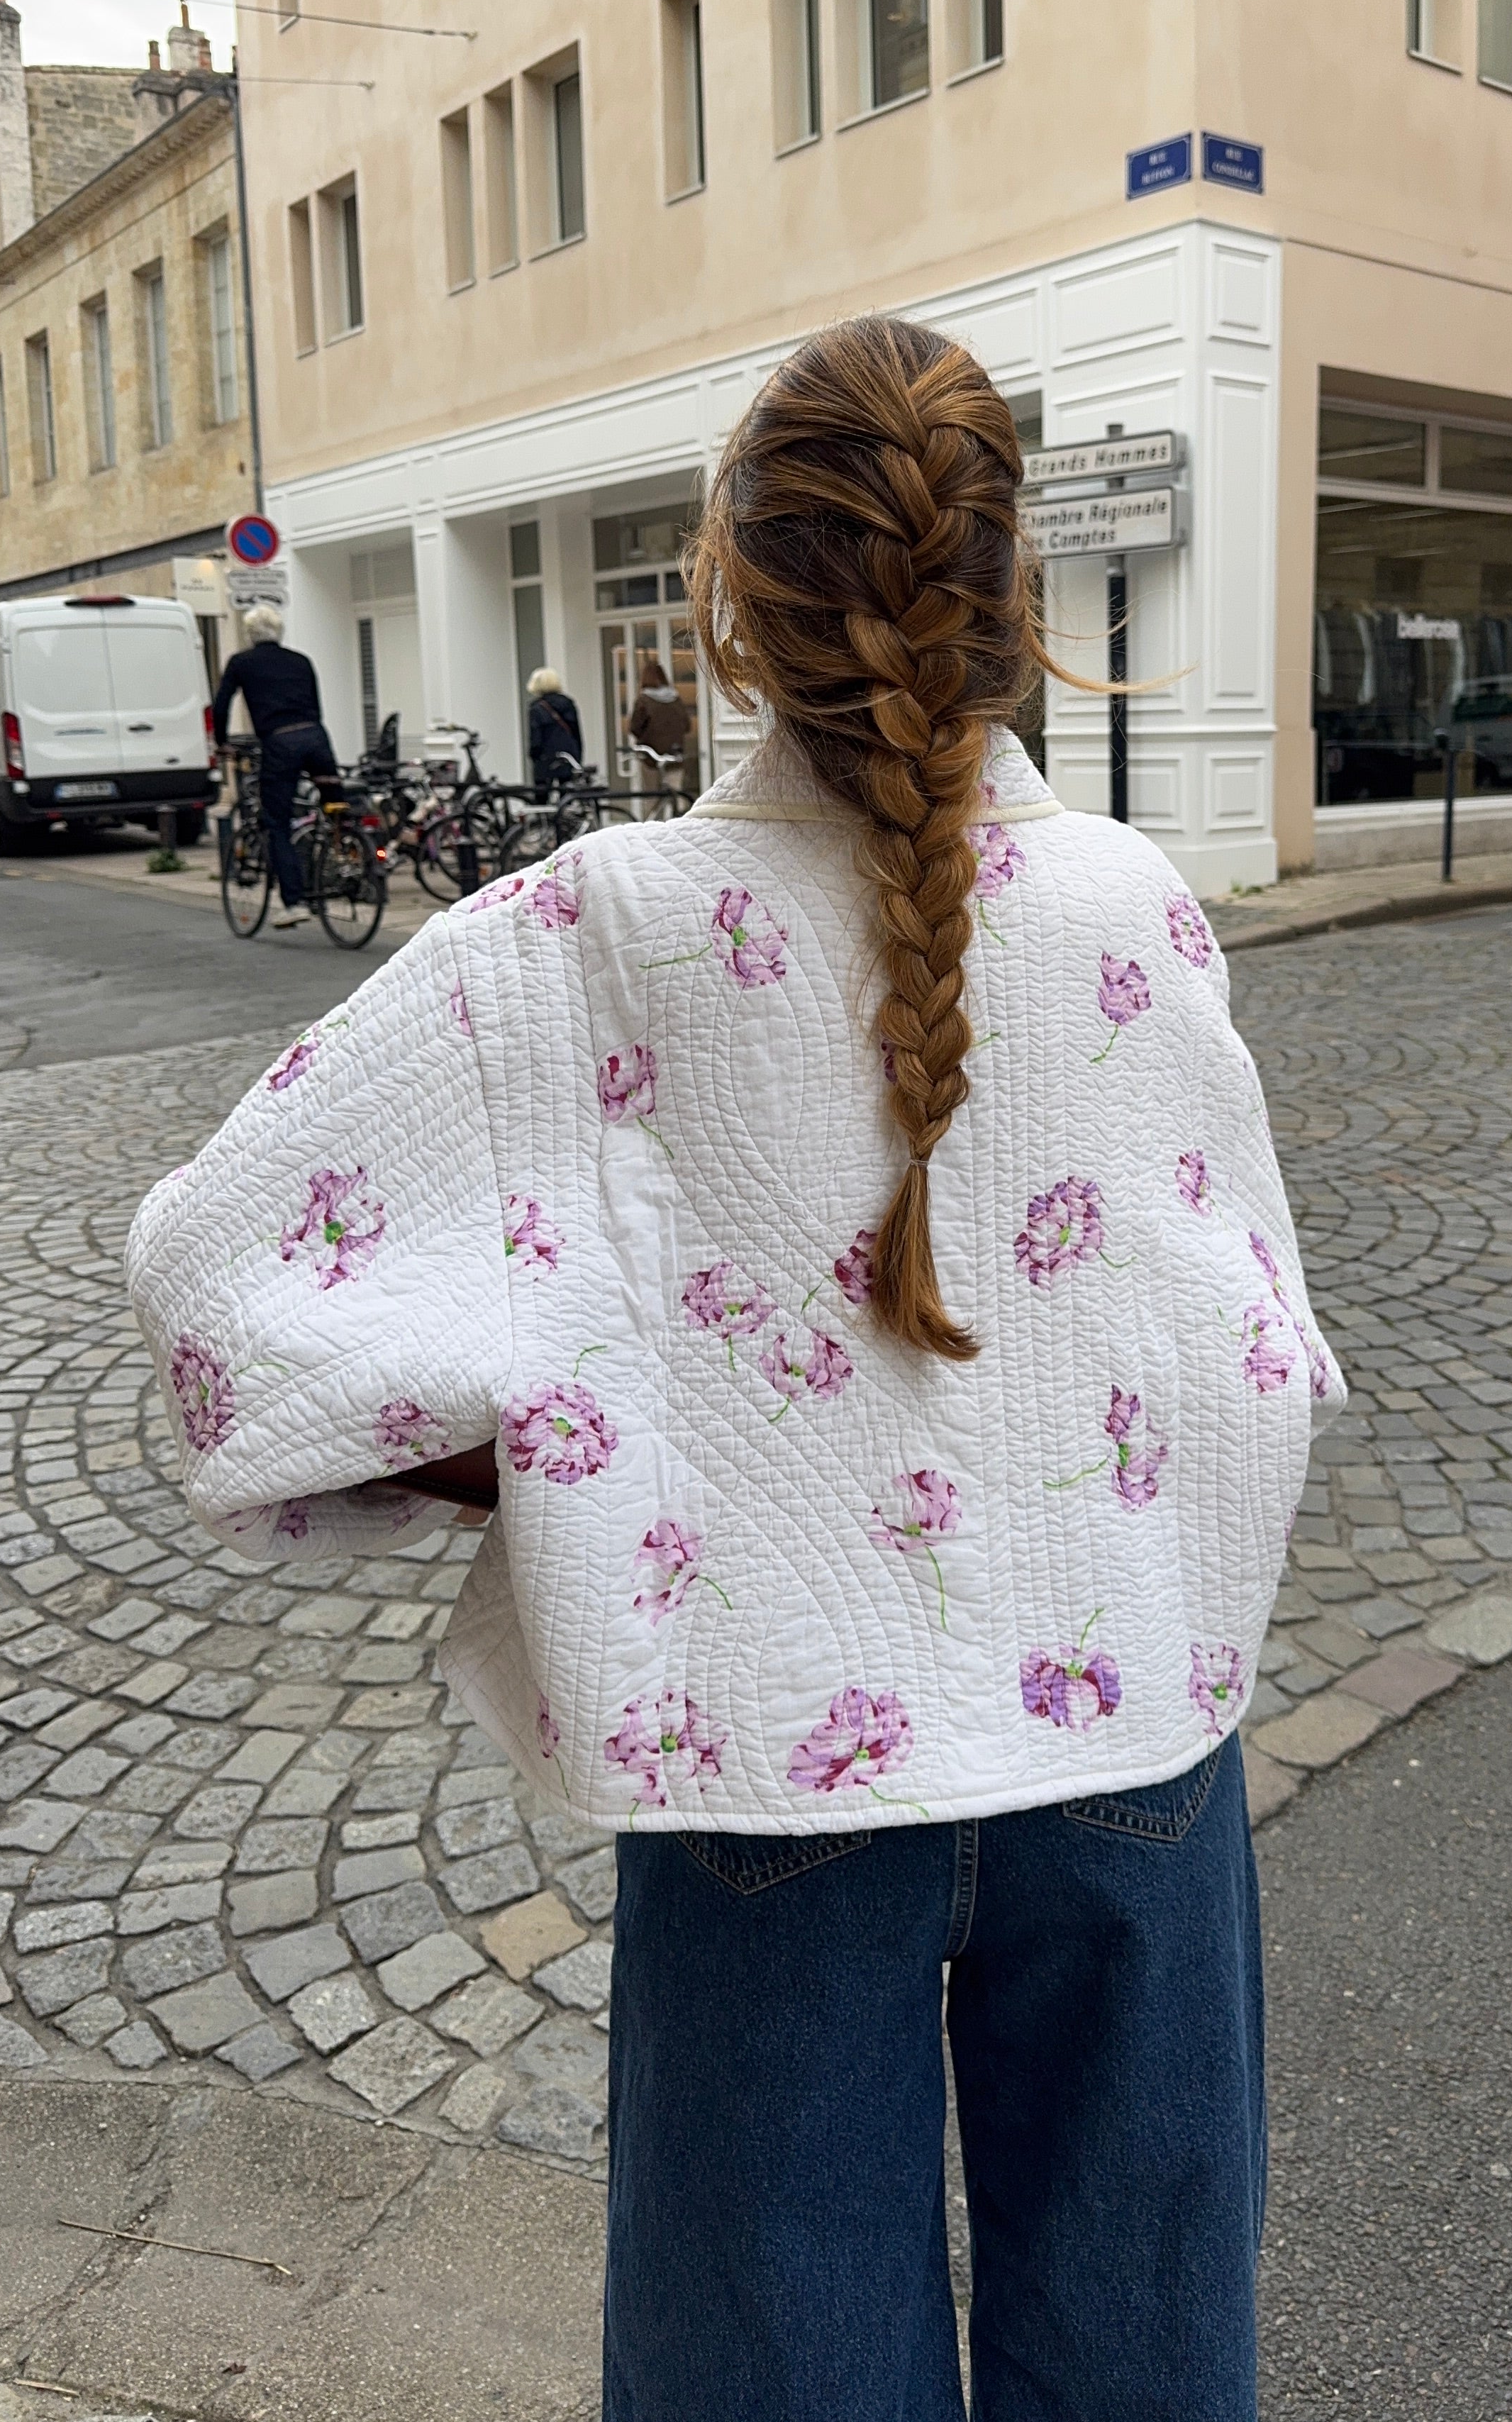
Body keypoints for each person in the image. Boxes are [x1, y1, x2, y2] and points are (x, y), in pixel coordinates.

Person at [126, 316, 1347, 2422]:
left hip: (768, 1745)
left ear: (728, 600)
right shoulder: (1140, 912)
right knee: (1147, 2357)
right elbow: (1253, 1345)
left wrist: (556, 1448)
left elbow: (222, 1284)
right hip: (1131, 1734)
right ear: (1012, 602)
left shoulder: (598, 930)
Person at [211, 604, 335, 931]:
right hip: (316, 738)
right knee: (337, 805)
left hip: (280, 744)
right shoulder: (301, 660)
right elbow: (316, 705)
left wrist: (222, 742)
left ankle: (294, 902)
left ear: (251, 634)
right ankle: (354, 858)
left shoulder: (241, 662)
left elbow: (222, 703)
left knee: (277, 821)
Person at [626, 650, 693, 783]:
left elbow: (635, 728)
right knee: (676, 796)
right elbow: (687, 726)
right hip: (674, 755)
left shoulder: (644, 701)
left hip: (651, 757)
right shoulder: (676, 699)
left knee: (652, 797)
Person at [526, 666, 584, 791]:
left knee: (542, 796)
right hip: (568, 755)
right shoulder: (568, 703)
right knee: (568, 795)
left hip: (546, 758)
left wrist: (533, 756)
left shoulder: (536, 708)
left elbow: (536, 738)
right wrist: (578, 756)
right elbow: (576, 733)